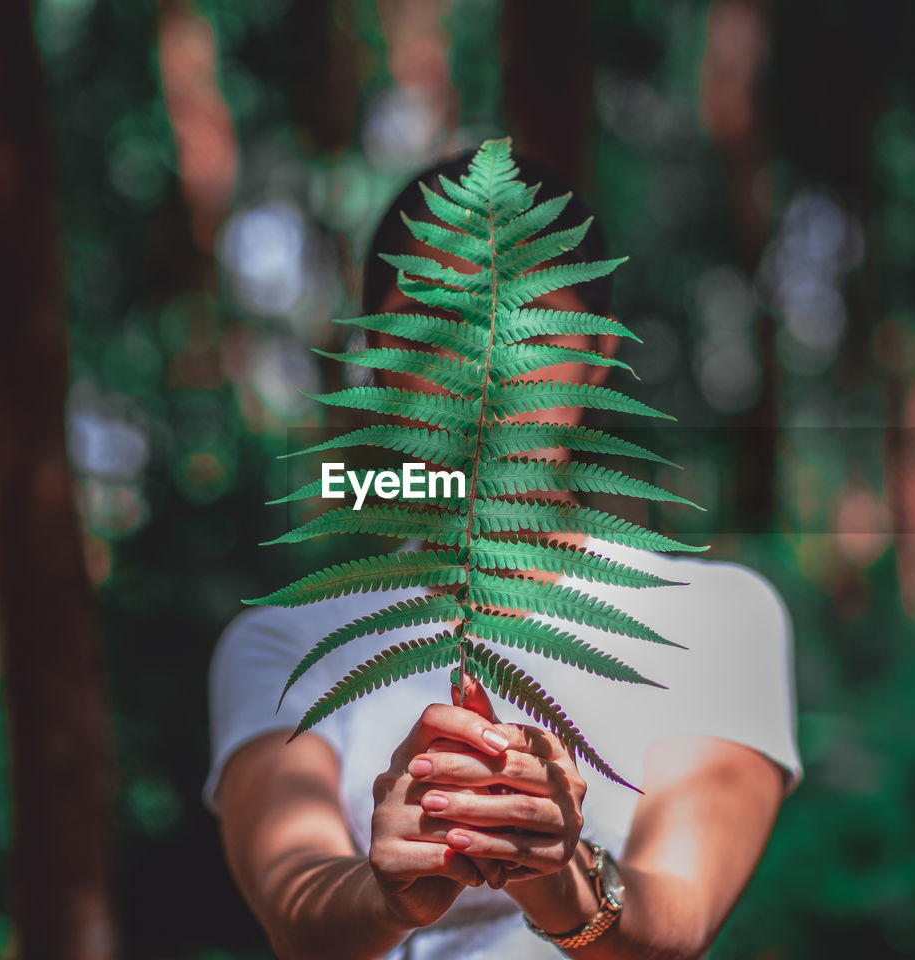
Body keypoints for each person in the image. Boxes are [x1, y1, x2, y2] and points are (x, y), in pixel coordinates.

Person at [203, 152, 802, 959]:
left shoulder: (717, 620)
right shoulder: (283, 644)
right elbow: (296, 910)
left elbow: (678, 920)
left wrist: (565, 878)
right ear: (377, 359)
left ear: (596, 359)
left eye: (531, 321)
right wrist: (384, 896)